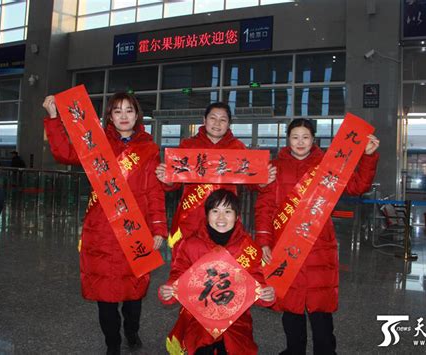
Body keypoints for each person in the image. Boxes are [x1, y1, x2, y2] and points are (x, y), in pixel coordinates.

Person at [42, 93, 168, 355]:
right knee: (104, 296)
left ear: (137, 116)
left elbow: (154, 192)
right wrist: (54, 117)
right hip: (101, 230)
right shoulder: (96, 142)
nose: (124, 116)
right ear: (109, 116)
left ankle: (131, 331)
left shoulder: (149, 149)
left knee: (134, 294)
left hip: (135, 230)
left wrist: (158, 228)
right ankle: (112, 343)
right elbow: (65, 153)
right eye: (117, 111)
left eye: (129, 111)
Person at [255, 118, 380, 355]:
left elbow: (357, 186)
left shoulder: (327, 165)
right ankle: (295, 350)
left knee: (320, 310)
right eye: (295, 137)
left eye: (305, 137)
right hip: (285, 245)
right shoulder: (275, 167)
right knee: (291, 309)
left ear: (313, 139)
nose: (300, 142)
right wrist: (263, 242)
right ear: (287, 139)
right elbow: (264, 208)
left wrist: (368, 157)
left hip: (318, 245)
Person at [159, 189, 275, 355]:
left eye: (228, 211)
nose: (221, 218)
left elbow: (257, 283)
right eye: (215, 211)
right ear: (206, 215)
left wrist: (265, 295)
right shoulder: (191, 244)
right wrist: (169, 290)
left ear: (237, 216)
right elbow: (177, 275)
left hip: (235, 322)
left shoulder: (248, 247)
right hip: (198, 320)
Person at [155, 102, 276, 257]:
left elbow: (252, 183)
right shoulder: (188, 145)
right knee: (187, 266)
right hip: (192, 217)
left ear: (229, 124)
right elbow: (174, 183)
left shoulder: (237, 147)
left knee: (222, 268)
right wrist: (167, 180)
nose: (217, 123)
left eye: (223, 119)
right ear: (204, 120)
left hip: (224, 219)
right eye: (213, 118)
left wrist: (262, 182)